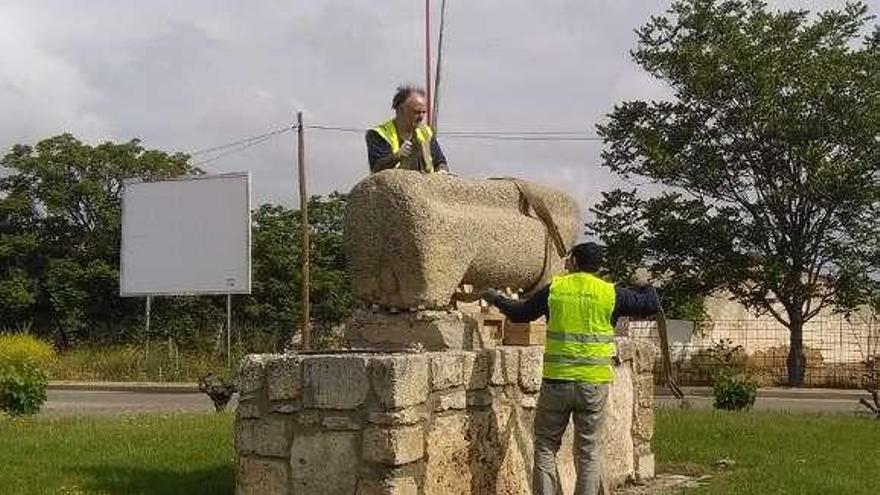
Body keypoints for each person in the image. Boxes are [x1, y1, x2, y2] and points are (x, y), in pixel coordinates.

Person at [482, 242, 660, 495]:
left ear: (575, 262)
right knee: (588, 452)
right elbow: (650, 304)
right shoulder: (611, 294)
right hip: (593, 386)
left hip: (557, 382)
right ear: (598, 266)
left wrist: (496, 298)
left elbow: (520, 313)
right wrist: (645, 284)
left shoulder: (556, 290)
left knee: (545, 446)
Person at [366, 85, 448, 173]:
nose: (421, 117)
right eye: (417, 112)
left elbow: (440, 162)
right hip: (392, 185)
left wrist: (442, 170)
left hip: (424, 185)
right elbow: (377, 169)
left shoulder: (426, 133)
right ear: (401, 110)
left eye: (423, 112)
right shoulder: (379, 134)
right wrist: (397, 156)